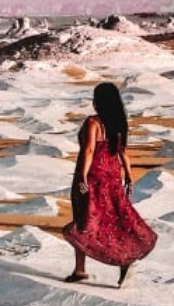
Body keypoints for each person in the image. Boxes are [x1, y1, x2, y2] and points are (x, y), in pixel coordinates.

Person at [62, 82, 157, 286]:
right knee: (116, 218)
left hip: (94, 176)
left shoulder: (93, 123)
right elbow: (123, 152)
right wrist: (129, 176)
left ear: (98, 101)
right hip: (113, 175)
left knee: (83, 220)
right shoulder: (118, 123)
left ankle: (80, 270)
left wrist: (82, 177)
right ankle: (125, 258)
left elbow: (88, 151)